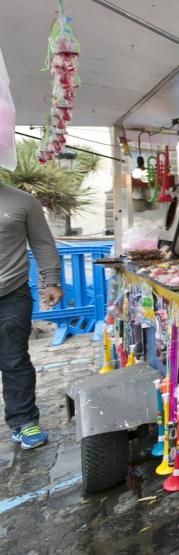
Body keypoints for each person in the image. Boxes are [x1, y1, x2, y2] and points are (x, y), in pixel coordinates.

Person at [1, 183, 62, 449]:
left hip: (11, 293)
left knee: (14, 359)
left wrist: (50, 280)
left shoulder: (22, 201)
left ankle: (24, 422)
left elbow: (42, 242)